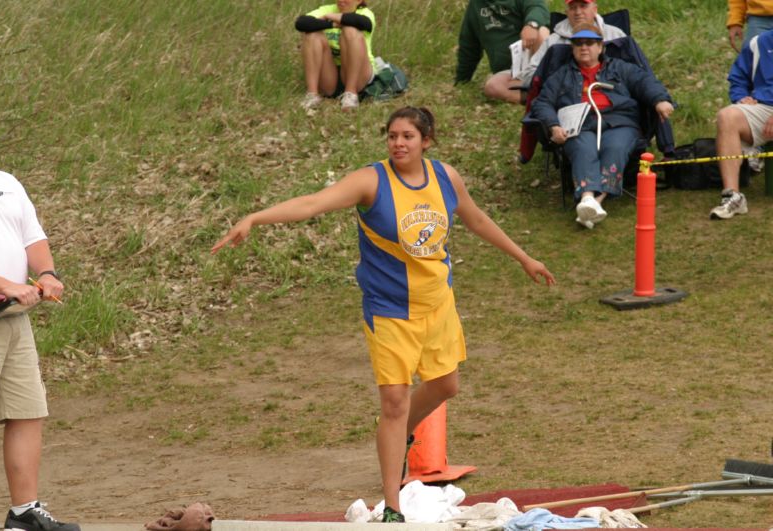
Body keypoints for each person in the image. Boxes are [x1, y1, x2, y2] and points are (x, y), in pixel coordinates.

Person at [212, 106, 556, 523]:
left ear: (426, 140)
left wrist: (524, 258)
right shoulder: (371, 181)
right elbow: (312, 203)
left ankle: (395, 427)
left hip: (437, 302)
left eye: (408, 136)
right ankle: (393, 504)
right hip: (389, 309)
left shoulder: (446, 177)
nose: (398, 143)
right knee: (394, 402)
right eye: (392, 135)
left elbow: (477, 219)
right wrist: (255, 218)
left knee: (446, 386)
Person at [0, 108, 79, 531]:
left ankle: (24, 512)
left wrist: (47, 274)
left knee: (25, 410)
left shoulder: (6, 182)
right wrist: (7, 284)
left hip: (13, 315)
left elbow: (33, 238)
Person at [529, 24, 674, 229]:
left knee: (615, 146)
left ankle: (596, 202)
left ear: (601, 47)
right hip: (581, 124)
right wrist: (553, 126)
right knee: (582, 146)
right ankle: (588, 198)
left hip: (619, 121)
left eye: (589, 43)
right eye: (578, 43)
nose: (584, 47)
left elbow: (645, 82)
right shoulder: (561, 75)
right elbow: (542, 102)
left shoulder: (621, 68)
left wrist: (660, 100)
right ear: (572, 48)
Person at [710, 28, 773, 220]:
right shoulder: (760, 42)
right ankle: (733, 196)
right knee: (727, 116)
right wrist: (740, 97)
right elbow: (738, 78)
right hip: (765, 108)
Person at [506, 0, 625, 98]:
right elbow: (529, 74)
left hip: (610, 94)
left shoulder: (615, 35)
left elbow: (634, 70)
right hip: (564, 98)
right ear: (567, 12)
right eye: (573, 7)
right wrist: (558, 79)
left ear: (594, 9)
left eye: (583, 6)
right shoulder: (553, 41)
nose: (578, 12)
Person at [455, 0, 550, 103]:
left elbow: (537, 7)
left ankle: (552, 83)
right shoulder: (475, 5)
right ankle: (535, 98)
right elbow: (469, 45)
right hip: (512, 73)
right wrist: (462, 80)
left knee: (542, 32)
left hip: (535, 61)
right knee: (492, 87)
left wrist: (532, 24)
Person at [295, 0, 377, 111]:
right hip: (330, 76)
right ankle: (312, 95)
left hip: (359, 75)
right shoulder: (327, 9)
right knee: (311, 34)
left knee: (350, 30)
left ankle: (351, 94)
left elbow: (364, 23)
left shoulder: (365, 13)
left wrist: (330, 17)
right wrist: (332, 24)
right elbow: (301, 23)